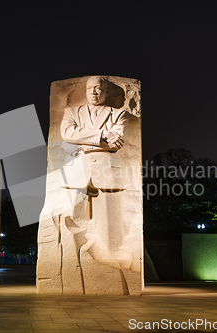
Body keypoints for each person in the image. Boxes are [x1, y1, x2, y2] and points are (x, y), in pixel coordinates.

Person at [60, 76, 129, 255]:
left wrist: (82, 142)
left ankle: (108, 256)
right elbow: (67, 134)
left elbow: (116, 143)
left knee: (108, 220)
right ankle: (74, 256)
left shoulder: (118, 114)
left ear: (106, 93)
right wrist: (103, 135)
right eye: (90, 89)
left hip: (107, 170)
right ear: (85, 91)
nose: (94, 92)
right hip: (78, 170)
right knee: (74, 217)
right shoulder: (72, 112)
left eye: (98, 89)